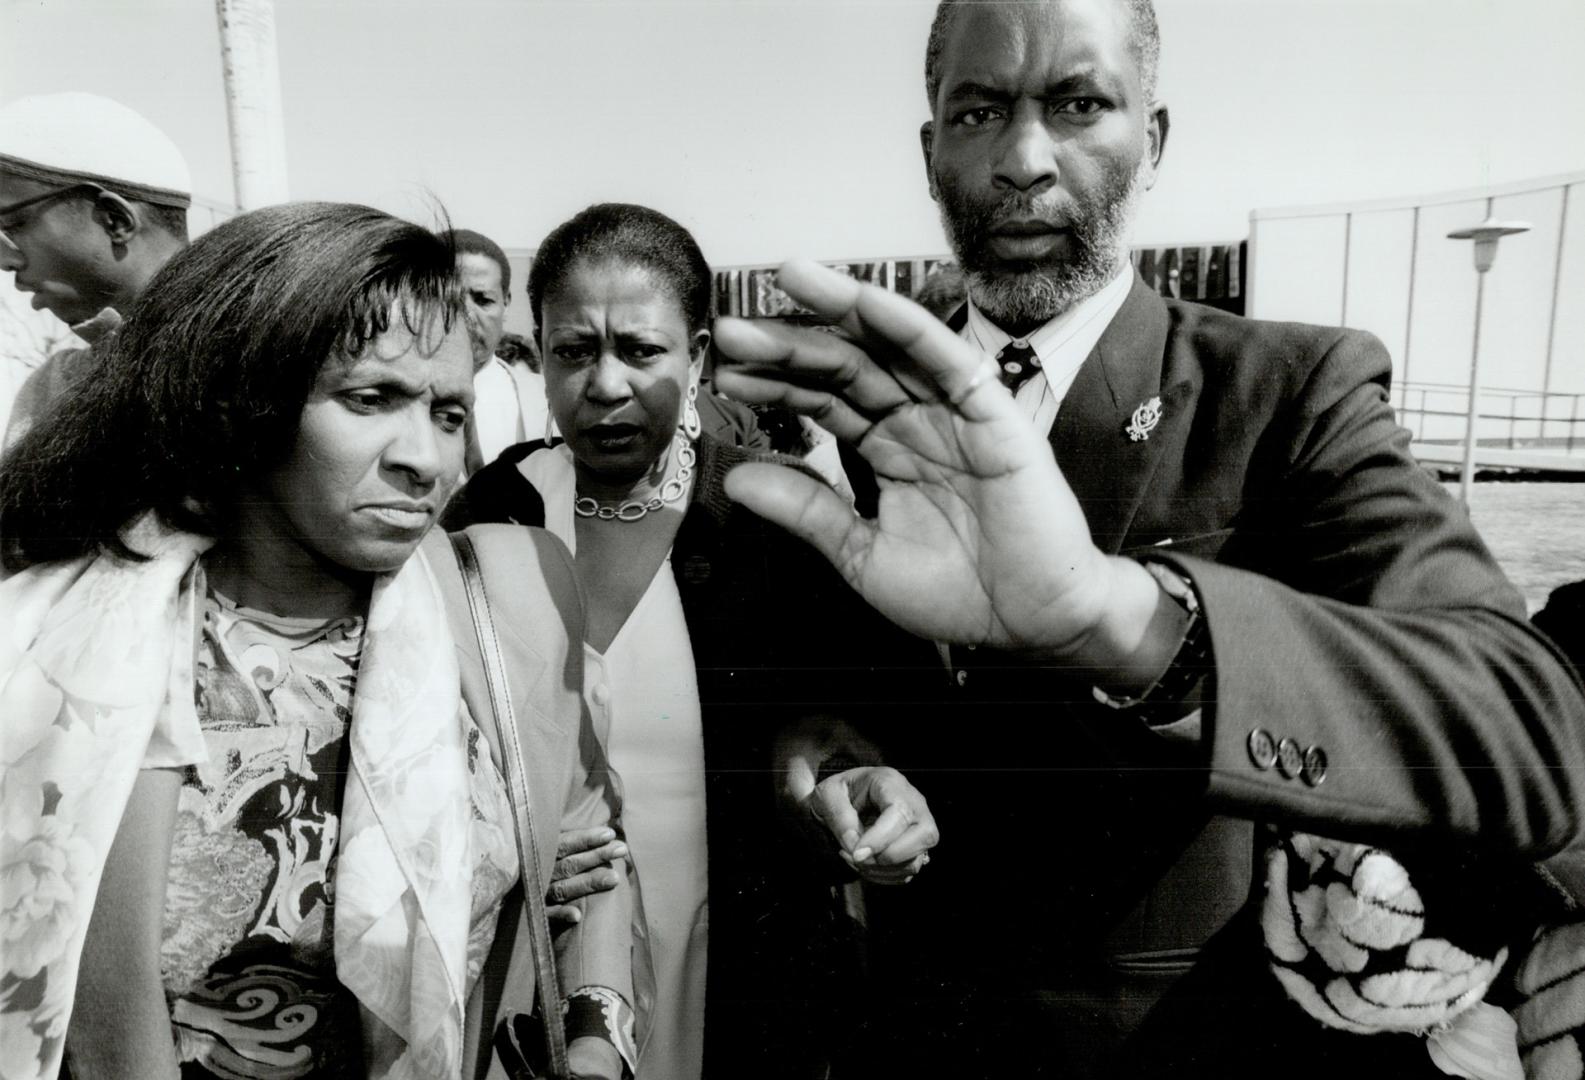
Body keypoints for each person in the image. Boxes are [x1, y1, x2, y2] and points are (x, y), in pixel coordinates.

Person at [706, 0, 1585, 1075]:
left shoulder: (1285, 395)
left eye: (1078, 103)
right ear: (930, 148)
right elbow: (821, 693)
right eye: (979, 110)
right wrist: (826, 761)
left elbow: (1531, 727)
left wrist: (1132, 626)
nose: (1024, 158)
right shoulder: (857, 405)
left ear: (1152, 139)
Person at [0, 202, 636, 1080]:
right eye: (371, 399)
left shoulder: (507, 595)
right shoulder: (60, 646)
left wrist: (597, 1046)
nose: (425, 458)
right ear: (240, 402)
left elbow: (592, 856)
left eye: (449, 413)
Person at [444, 202, 937, 1080]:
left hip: (748, 976)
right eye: (573, 350)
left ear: (698, 355)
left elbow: (873, 721)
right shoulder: (492, 512)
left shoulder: (779, 516)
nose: (603, 384)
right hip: (544, 981)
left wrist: (859, 794)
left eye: (640, 350)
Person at [0, 92, 190, 445]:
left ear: (114, 220)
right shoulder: (53, 391)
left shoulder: (278, 338)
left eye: (13, 224)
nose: (5, 259)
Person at [444, 227, 529, 472]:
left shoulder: (542, 399)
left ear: (506, 302)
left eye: (483, 300)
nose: (467, 316)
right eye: (450, 300)